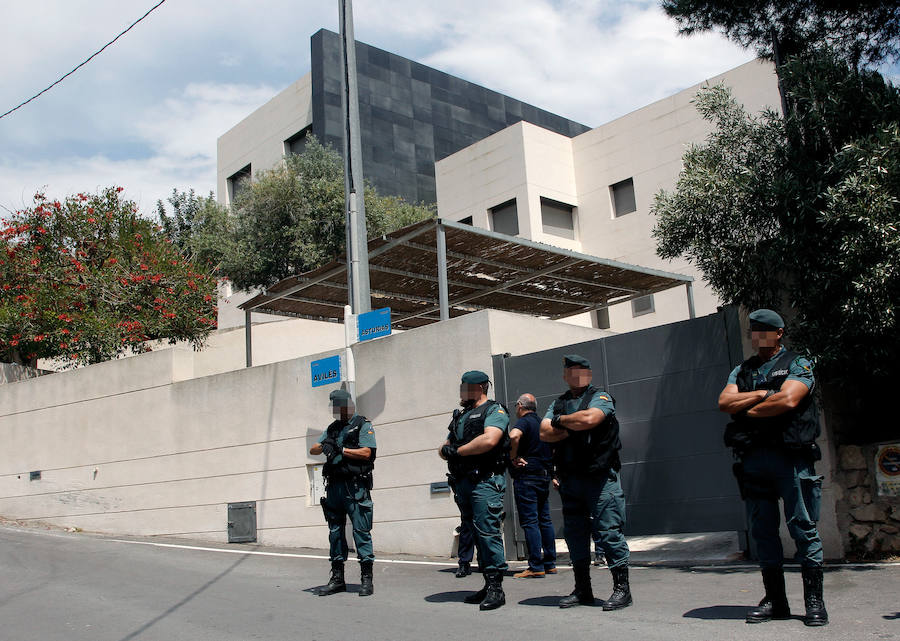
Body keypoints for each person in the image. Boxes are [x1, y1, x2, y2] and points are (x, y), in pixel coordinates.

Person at [718, 309, 828, 626]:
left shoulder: (798, 362)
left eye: (765, 330)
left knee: (803, 528)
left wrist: (748, 408)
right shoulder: (742, 369)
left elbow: (788, 401)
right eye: (754, 331)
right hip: (753, 460)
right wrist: (762, 394)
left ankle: (814, 602)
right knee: (763, 531)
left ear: (779, 333)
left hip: (790, 458)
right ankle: (776, 601)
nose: (758, 336)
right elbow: (725, 403)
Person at [540, 354, 632, 610]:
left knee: (609, 533)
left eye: (580, 371)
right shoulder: (558, 403)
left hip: (601, 478)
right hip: (571, 479)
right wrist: (568, 423)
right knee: (575, 536)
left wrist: (561, 423)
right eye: (570, 371)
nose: (575, 375)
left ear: (588, 374)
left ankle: (622, 590)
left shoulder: (600, 397)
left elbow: (591, 419)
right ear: (565, 375)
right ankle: (583, 590)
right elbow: (544, 432)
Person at [439, 370, 510, 610]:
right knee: (477, 533)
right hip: (464, 482)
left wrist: (457, 451)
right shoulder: (461, 416)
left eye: (465, 387)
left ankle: (496, 588)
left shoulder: (494, 411)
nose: (461, 391)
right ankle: (487, 583)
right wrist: (448, 450)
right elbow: (444, 447)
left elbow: (490, 440)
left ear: (479, 387)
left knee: (487, 532)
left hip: (485, 482)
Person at [309, 389, 377, 597]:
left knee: (361, 532)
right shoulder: (332, 428)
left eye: (340, 406)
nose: (338, 411)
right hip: (334, 487)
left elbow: (367, 452)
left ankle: (367, 580)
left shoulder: (362, 424)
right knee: (335, 533)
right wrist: (324, 445)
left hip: (355, 487)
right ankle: (337, 578)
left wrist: (342, 450)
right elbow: (313, 449)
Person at [509, 393, 557, 578]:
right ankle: (550, 563)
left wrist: (513, 457)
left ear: (520, 406)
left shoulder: (524, 422)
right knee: (544, 519)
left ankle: (536, 566)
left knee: (530, 521)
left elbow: (514, 436)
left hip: (527, 476)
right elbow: (553, 448)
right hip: (542, 476)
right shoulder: (541, 423)